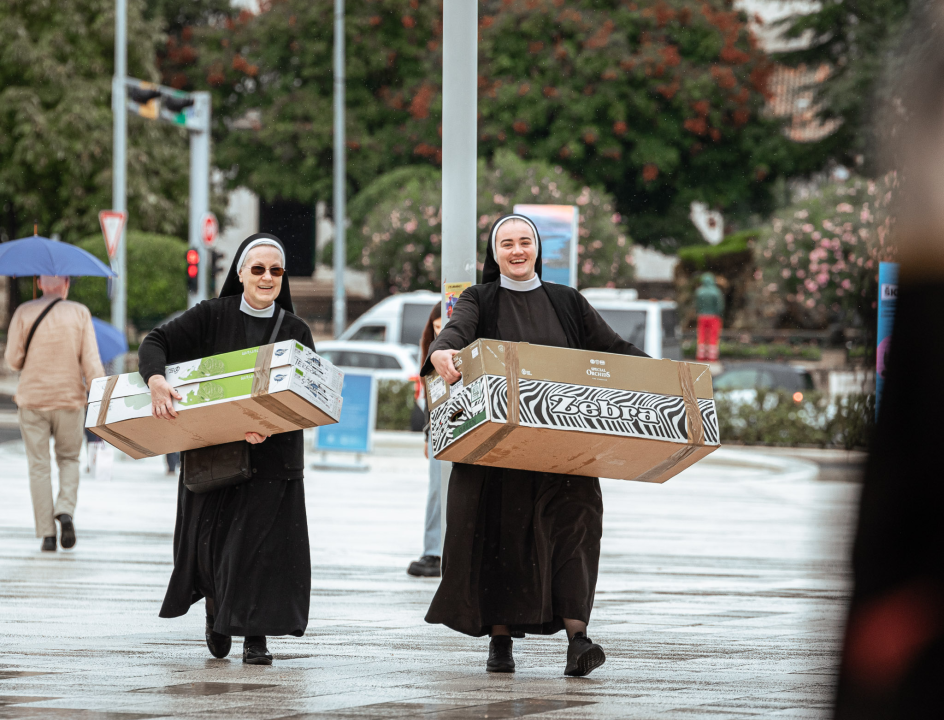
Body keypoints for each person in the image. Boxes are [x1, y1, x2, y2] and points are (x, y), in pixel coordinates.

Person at [422, 214, 649, 677]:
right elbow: (456, 331)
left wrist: (663, 376)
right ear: (495, 252)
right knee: (502, 540)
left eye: (525, 241)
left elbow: (612, 349)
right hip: (499, 453)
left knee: (575, 534)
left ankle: (578, 639)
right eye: (507, 243)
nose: (517, 250)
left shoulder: (567, 302)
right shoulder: (479, 298)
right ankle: (500, 640)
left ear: (538, 248)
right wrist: (442, 350)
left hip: (563, 449)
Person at [138, 233, 314, 666]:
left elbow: (310, 395)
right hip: (216, 453)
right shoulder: (210, 316)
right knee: (215, 546)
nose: (267, 277)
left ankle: (255, 637)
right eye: (257, 269)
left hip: (274, 459)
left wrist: (269, 425)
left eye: (275, 270)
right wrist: (157, 380)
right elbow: (154, 342)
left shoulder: (295, 331)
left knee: (261, 548)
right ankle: (217, 608)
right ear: (240, 273)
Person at [4, 275, 104, 552]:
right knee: (69, 459)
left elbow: (12, 360)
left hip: (32, 400)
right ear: (66, 284)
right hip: (69, 400)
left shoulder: (24, 311)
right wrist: (99, 396)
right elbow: (92, 363)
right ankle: (65, 510)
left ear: (39, 283)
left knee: (39, 466)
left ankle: (47, 535)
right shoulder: (80, 313)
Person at [407, 303, 445, 578]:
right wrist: (427, 435)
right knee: (436, 490)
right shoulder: (431, 354)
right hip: (438, 430)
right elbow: (427, 399)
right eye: (437, 327)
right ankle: (433, 552)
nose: (443, 332)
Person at [694, 272, 724, 362]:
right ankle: (712, 356)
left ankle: (701, 355)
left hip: (702, 316)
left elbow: (697, 305)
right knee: (713, 335)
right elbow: (720, 306)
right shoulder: (716, 291)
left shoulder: (699, 292)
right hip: (714, 316)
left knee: (701, 335)